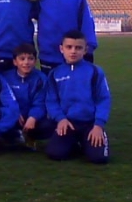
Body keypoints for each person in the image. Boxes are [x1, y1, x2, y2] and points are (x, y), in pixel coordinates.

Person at [45, 30, 110, 164]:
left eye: (78, 48)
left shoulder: (95, 72)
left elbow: (104, 99)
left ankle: (90, 141)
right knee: (55, 153)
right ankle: (75, 143)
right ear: (61, 49)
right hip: (68, 123)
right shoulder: (55, 73)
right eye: (69, 47)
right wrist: (61, 119)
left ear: (85, 50)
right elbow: (51, 101)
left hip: (90, 124)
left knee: (98, 158)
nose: (73, 51)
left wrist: (98, 125)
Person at [38, 0, 97, 73]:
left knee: (76, 84)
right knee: (51, 84)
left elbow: (86, 21)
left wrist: (89, 46)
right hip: (49, 55)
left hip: (74, 53)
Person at [2, 43, 55, 145]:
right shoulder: (6, 77)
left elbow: (40, 102)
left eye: (30, 59)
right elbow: (4, 99)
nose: (26, 62)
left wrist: (33, 117)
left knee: (49, 125)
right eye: (22, 59)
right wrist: (14, 112)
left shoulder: (41, 78)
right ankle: (13, 137)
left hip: (31, 118)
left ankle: (29, 137)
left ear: (35, 61)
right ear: (15, 62)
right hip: (13, 115)